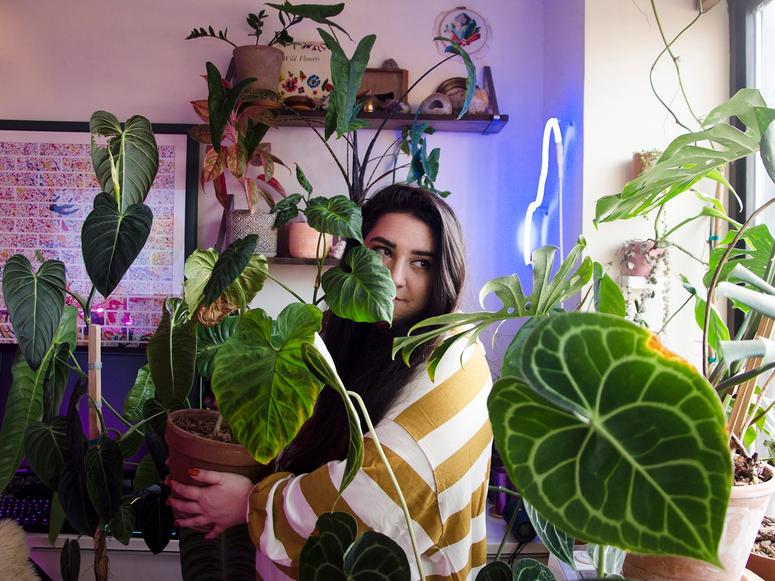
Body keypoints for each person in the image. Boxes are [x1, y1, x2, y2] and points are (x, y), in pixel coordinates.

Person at [168, 185, 493, 580]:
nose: (394, 278)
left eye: (421, 263)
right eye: (382, 251)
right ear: (356, 253)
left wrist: (249, 505)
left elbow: (379, 496)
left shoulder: (452, 360)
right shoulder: (363, 340)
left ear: (443, 273)